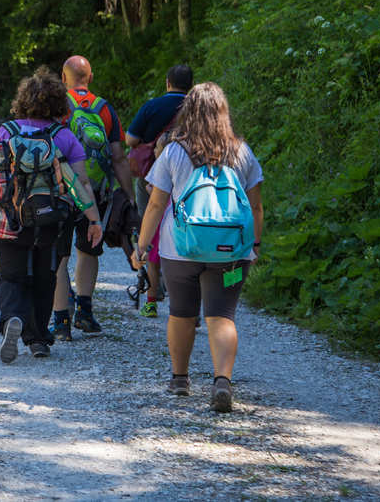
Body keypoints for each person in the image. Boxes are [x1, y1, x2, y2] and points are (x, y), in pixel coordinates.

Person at [132, 82, 263, 413]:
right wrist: (255, 244)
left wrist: (142, 245)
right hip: (231, 251)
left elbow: (156, 203)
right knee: (222, 316)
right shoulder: (242, 152)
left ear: (187, 112)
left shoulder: (175, 151)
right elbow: (256, 206)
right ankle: (222, 381)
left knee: (181, 312)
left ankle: (180, 378)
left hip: (181, 249)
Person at [0, 67, 103, 363]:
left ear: (23, 100)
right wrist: (93, 219)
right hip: (51, 220)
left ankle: (11, 319)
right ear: (60, 103)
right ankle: (39, 340)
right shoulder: (64, 136)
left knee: (10, 275)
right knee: (46, 276)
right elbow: (81, 182)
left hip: (8, 218)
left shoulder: (5, 131)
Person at [50, 55, 137, 340]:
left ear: (63, 78)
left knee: (59, 256)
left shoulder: (56, 106)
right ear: (91, 76)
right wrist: (128, 194)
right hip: (95, 191)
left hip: (62, 189)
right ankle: (85, 313)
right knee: (89, 249)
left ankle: (61, 321)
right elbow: (119, 156)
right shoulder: (104, 108)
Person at [126, 64, 192, 316]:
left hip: (152, 177)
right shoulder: (198, 109)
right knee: (184, 232)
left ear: (167, 83)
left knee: (151, 230)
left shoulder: (152, 106)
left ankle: (152, 298)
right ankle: (189, 303)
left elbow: (130, 139)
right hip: (188, 179)